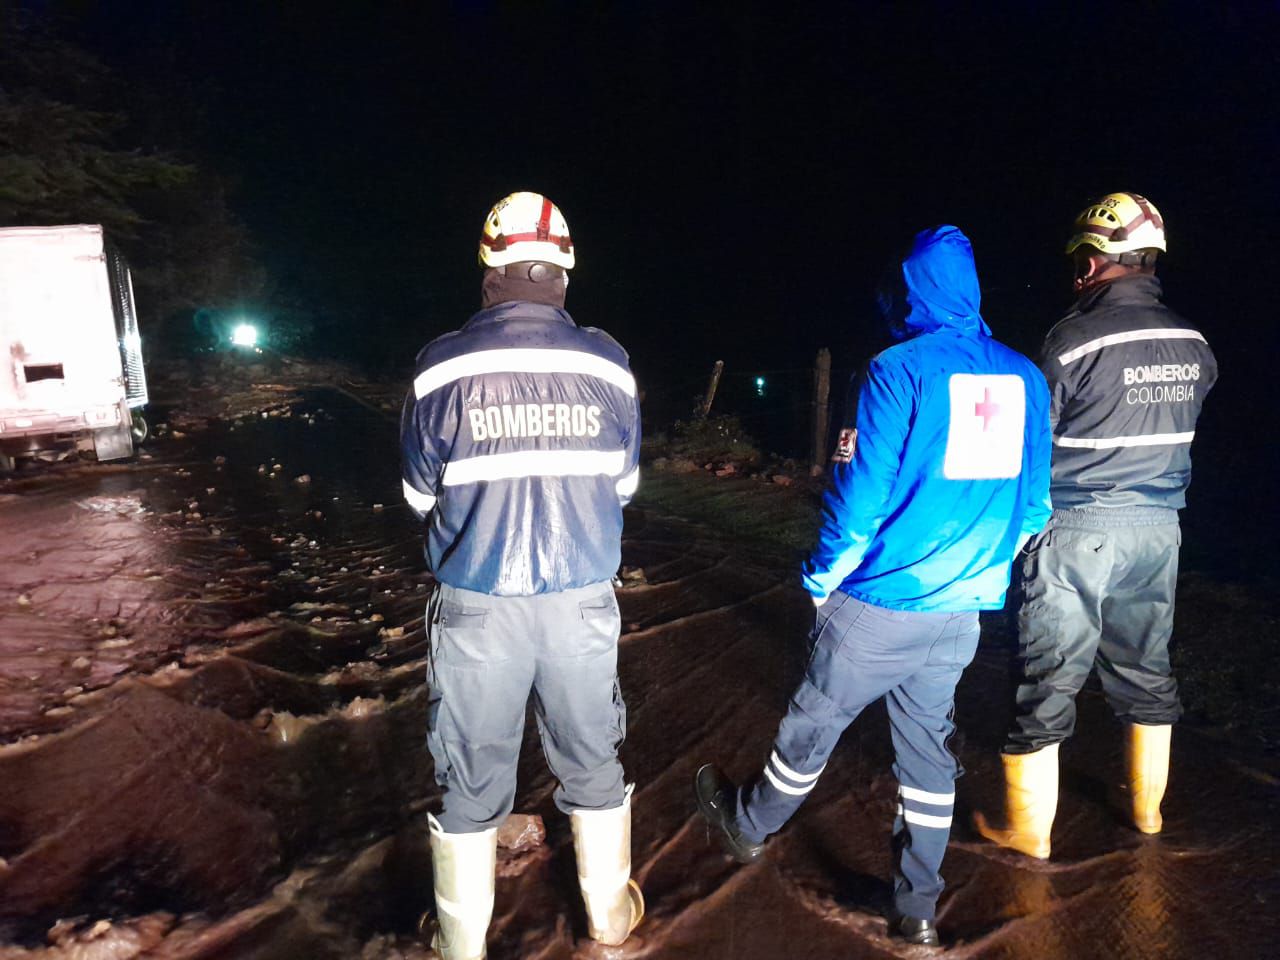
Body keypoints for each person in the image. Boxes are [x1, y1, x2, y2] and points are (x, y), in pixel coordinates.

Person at [695, 225, 1053, 947]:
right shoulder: (1026, 376)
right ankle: (917, 905)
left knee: (813, 723)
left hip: (880, 603)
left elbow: (859, 502)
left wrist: (823, 579)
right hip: (961, 613)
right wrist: (980, 569)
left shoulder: (897, 369)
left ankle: (749, 825)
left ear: (913, 289)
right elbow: (1038, 505)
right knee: (927, 754)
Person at [401, 191, 644, 959]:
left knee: (472, 776)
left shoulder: (441, 367)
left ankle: (459, 941)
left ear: (490, 266)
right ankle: (609, 921)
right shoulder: (610, 364)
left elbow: (417, 494)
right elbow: (625, 486)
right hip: (580, 599)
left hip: (477, 603)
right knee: (592, 758)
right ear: (564, 270)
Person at [975, 192, 1218, 858]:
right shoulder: (1194, 343)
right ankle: (1146, 814)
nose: (1075, 272)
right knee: (1146, 669)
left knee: (1048, 674)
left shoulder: (1071, 339)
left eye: (1079, 259)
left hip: (1078, 530)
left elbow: (1031, 440)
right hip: (1160, 528)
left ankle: (1028, 831)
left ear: (1094, 258)